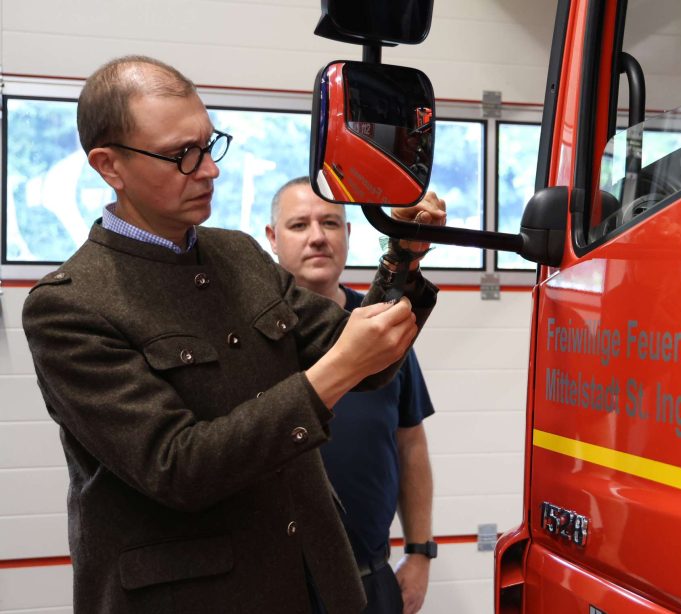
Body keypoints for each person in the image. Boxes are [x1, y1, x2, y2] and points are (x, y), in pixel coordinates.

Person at [21, 55, 446, 614]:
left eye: (209, 144)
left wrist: (403, 257)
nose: (209, 170)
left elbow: (372, 358)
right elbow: (177, 467)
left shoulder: (239, 254)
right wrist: (335, 371)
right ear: (109, 165)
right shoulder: (69, 306)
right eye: (181, 156)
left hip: (319, 581)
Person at [266, 178, 440, 614]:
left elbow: (410, 443)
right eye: (299, 224)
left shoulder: (383, 326)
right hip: (277, 584)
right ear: (272, 238)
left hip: (369, 580)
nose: (317, 236)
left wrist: (419, 550)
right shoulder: (254, 335)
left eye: (330, 222)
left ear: (349, 233)